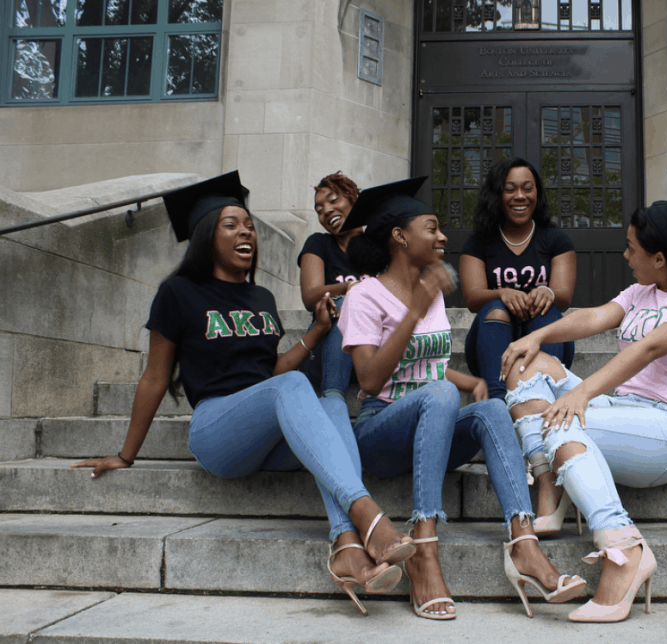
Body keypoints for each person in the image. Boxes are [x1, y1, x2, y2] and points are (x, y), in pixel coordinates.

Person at [70, 172, 416, 616]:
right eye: (231, 224)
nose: (246, 232)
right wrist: (126, 454)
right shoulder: (178, 293)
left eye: (249, 225)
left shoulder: (262, 297)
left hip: (265, 430)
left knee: (331, 404)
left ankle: (346, 546)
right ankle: (367, 515)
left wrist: (316, 332)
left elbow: (269, 373)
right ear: (206, 236)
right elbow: (155, 377)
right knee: (298, 388)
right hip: (216, 429)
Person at [336, 177, 585, 621]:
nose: (443, 237)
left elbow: (427, 368)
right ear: (400, 236)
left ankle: (524, 544)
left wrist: (470, 383)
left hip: (433, 426)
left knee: (491, 408)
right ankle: (423, 548)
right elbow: (370, 380)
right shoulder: (364, 296)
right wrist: (415, 309)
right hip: (381, 430)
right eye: (431, 228)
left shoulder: (429, 293)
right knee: (441, 393)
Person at [500, 200, 667, 623]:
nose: (625, 255)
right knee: (524, 365)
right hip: (623, 409)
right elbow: (595, 317)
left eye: (631, 248)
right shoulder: (642, 291)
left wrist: (582, 393)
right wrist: (536, 337)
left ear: (659, 258)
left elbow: (649, 348)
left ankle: (625, 548)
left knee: (562, 422)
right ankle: (551, 484)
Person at [460, 157, 576, 404]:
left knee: (546, 310)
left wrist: (549, 292)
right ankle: (497, 402)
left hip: (543, 337)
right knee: (495, 308)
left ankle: (545, 398)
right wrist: (502, 293)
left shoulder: (556, 240)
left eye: (528, 188)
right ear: (497, 195)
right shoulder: (479, 242)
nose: (520, 196)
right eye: (510, 189)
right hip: (492, 341)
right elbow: (472, 298)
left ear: (537, 193)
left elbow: (564, 296)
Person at [297, 171, 363, 399]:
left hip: (371, 348)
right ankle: (332, 398)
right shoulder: (318, 243)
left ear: (353, 199)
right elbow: (310, 296)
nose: (326, 210)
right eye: (319, 210)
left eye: (333, 200)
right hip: (327, 347)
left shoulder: (378, 248)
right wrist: (347, 288)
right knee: (345, 302)